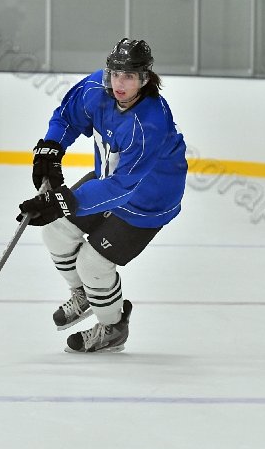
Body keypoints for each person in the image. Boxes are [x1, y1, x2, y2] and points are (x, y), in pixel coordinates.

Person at [18, 38, 187, 353]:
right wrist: (50, 151)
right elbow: (67, 118)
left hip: (147, 199)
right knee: (56, 230)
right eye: (115, 73)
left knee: (92, 263)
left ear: (145, 79)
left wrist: (62, 201)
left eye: (129, 76)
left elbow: (124, 187)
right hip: (109, 179)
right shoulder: (97, 88)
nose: (119, 83)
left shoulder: (149, 123)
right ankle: (85, 295)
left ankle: (112, 327)